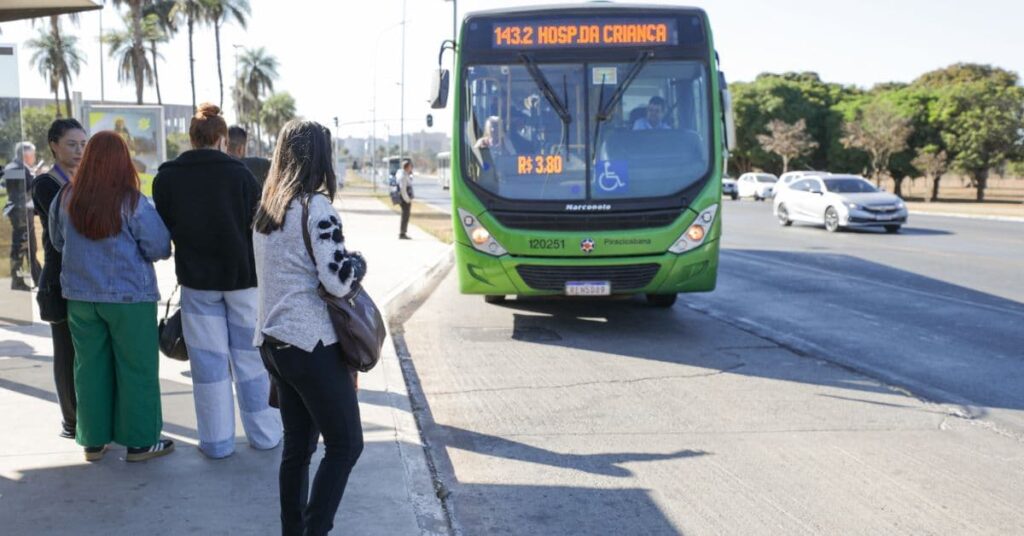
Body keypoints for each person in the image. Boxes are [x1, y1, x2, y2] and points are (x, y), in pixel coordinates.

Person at [253, 119, 366, 536]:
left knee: (297, 451)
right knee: (346, 445)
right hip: (311, 346)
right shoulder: (316, 208)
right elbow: (337, 279)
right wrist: (357, 263)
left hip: (274, 343)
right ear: (321, 157)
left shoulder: (268, 210)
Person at [153, 103, 282, 459]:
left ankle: (217, 442)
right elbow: (260, 229)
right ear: (224, 139)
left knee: (207, 366)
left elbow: (165, 226)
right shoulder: (242, 176)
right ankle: (265, 435)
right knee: (251, 363)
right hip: (243, 281)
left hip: (197, 282)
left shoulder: (167, 176)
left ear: (192, 138)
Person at [49, 131, 174, 462]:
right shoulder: (132, 200)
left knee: (88, 368)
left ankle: (92, 441)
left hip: (79, 298)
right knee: (137, 369)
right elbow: (160, 247)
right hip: (129, 299)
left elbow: (58, 241)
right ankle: (141, 442)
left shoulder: (65, 196)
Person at [31, 119, 87, 439]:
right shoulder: (46, 184)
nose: (79, 151)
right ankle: (72, 421)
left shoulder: (85, 179)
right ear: (54, 145)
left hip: (85, 280)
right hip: (58, 283)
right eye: (71, 144)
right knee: (66, 354)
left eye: (83, 144)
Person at [3, 141, 42, 290]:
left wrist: (32, 173)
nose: (34, 157)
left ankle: (38, 278)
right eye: (33, 154)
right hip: (21, 213)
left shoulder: (18, 168)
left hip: (23, 212)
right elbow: (21, 191)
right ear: (26, 155)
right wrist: (35, 176)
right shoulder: (15, 168)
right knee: (22, 247)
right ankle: (18, 280)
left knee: (29, 247)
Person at [396, 158, 414, 240]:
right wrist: (407, 200)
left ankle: (403, 232)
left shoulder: (405, 174)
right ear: (406, 167)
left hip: (405, 199)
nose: (411, 168)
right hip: (404, 200)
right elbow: (403, 190)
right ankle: (402, 233)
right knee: (405, 216)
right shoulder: (403, 176)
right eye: (410, 166)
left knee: (405, 216)